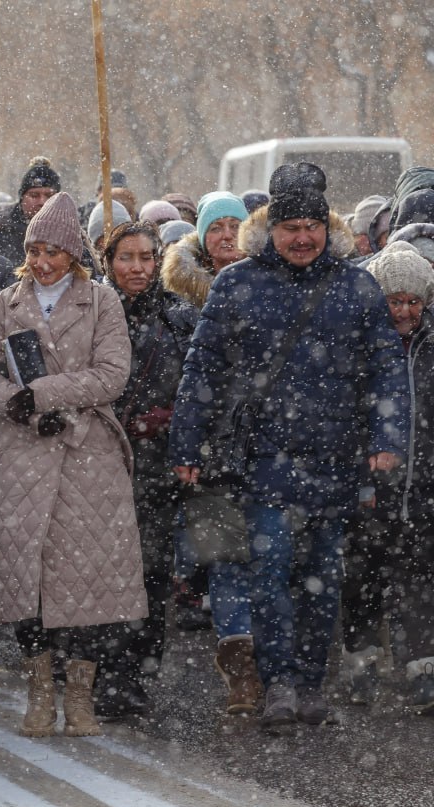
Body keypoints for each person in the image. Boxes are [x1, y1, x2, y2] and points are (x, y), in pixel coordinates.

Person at [169, 162, 408, 730]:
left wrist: (386, 437)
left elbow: (385, 369)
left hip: (335, 459)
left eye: (311, 226)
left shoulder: (356, 285)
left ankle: (308, 684)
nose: (302, 237)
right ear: (269, 230)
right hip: (263, 461)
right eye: (289, 227)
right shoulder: (237, 284)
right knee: (269, 575)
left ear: (327, 228)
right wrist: (186, 445)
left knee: (323, 579)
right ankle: (277, 683)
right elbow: (202, 370)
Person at [0, 191, 145, 738]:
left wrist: (42, 393)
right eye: (35, 249)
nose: (43, 261)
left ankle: (81, 697)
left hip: (85, 454)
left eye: (54, 251)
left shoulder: (102, 302)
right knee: (29, 579)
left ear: (74, 255)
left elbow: (112, 374)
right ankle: (40, 692)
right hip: (21, 454)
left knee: (90, 578)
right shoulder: (8, 300)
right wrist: (11, 404)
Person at [95, 221, 198, 717]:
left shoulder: (178, 318)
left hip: (156, 467)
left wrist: (172, 420)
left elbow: (200, 387)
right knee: (101, 571)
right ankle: (101, 672)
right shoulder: (91, 312)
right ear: (108, 261)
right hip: (98, 462)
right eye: (126, 257)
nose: (137, 268)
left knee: (151, 572)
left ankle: (136, 670)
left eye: (147, 257)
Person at [161, 191, 256, 666]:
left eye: (233, 227)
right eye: (216, 227)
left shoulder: (268, 287)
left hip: (263, 444)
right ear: (201, 236)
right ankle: (237, 655)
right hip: (214, 443)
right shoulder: (180, 298)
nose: (225, 236)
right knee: (225, 555)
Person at [339, 241, 434, 711]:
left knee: (418, 579)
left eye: (413, 301)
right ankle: (362, 663)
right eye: (394, 300)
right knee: (363, 578)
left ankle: (422, 667)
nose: (404, 311)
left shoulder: (429, 346)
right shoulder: (358, 341)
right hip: (368, 486)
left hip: (422, 486)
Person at [0, 157, 61, 275]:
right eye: (34, 195)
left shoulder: (73, 241)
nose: (42, 202)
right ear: (22, 198)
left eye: (49, 196)